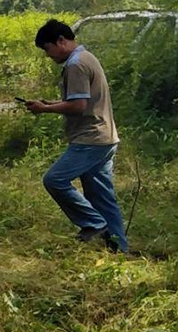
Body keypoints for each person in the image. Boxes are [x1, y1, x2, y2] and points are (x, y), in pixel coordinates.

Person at [26, 19, 128, 253]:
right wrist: (50, 104)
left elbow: (78, 106)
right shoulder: (86, 57)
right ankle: (119, 249)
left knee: (54, 180)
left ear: (60, 41)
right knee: (102, 197)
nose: (48, 55)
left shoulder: (76, 64)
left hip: (90, 139)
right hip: (106, 137)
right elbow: (79, 100)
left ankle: (94, 224)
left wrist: (44, 109)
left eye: (47, 48)